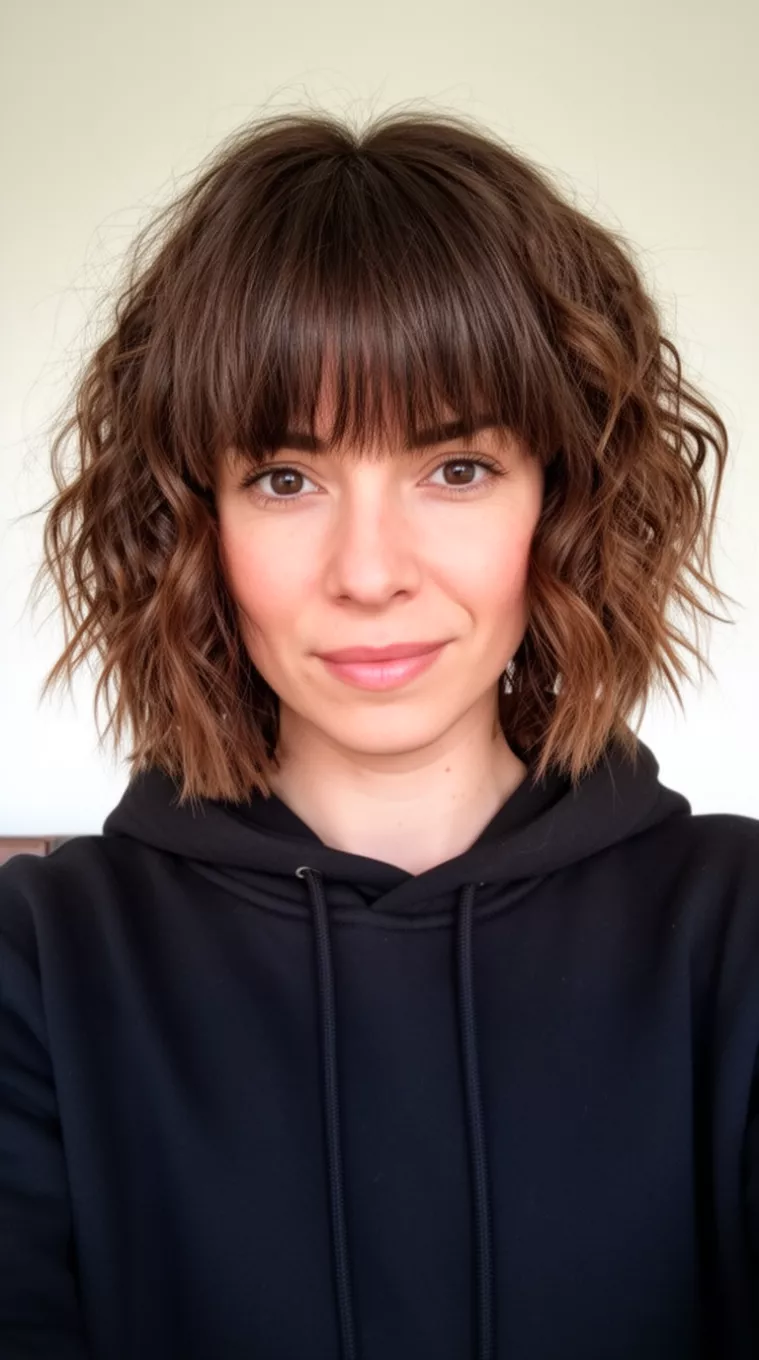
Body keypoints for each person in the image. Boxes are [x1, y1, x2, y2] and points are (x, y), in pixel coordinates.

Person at [1, 107, 757, 1360]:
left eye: (455, 466)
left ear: (560, 502)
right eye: (286, 478)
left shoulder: (731, 935)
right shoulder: (41, 967)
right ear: (194, 525)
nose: (368, 571)